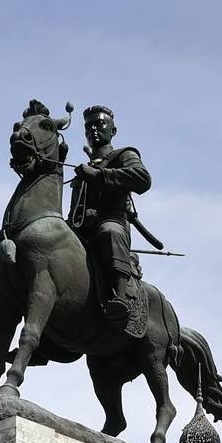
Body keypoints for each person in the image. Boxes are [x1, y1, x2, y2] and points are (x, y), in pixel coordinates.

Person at [68, 105, 151, 327]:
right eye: (88, 126)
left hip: (113, 223)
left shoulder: (124, 155)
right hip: (84, 230)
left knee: (109, 231)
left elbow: (143, 178)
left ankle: (120, 297)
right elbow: (73, 212)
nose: (93, 129)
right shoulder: (82, 172)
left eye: (99, 124)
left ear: (113, 131)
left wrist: (100, 174)